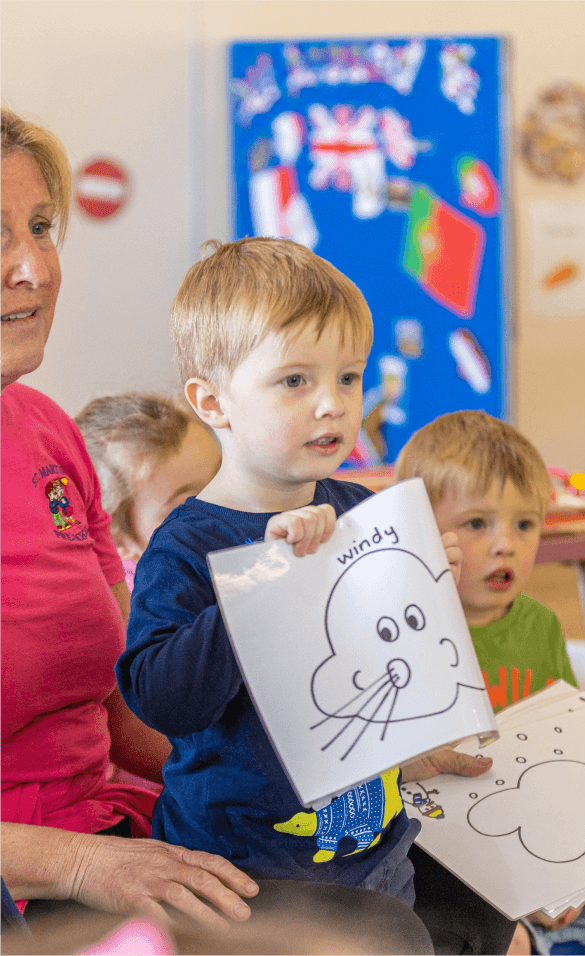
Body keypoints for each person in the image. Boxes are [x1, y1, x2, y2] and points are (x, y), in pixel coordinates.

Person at [115, 238, 467, 914]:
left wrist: (426, 588)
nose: (333, 405)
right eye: (296, 381)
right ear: (213, 403)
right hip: (248, 879)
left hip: (376, 853)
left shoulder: (360, 510)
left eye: (349, 378)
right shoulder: (186, 546)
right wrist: (265, 584)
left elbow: (396, 669)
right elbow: (162, 702)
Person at [0, 106, 260, 930]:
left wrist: (320, 754)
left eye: (42, 227)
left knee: (400, 906)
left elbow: (130, 713)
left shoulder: (44, 431)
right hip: (36, 876)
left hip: (104, 828)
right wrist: (78, 861)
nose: (34, 268)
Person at [394, 410, 585, 956]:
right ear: (420, 529)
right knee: (504, 942)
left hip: (555, 851)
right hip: (455, 875)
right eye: (477, 523)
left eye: (524, 524)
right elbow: (409, 799)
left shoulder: (541, 625)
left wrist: (579, 872)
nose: (505, 545)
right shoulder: (401, 633)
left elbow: (571, 753)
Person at [74, 392, 222, 593]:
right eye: (189, 506)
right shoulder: (153, 607)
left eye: (223, 478)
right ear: (117, 542)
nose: (224, 507)